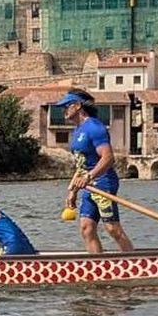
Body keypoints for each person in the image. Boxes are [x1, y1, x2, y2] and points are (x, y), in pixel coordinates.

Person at [55, 89, 135, 252]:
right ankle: (97, 265)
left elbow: (108, 158)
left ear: (77, 106)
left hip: (104, 183)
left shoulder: (94, 128)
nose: (63, 110)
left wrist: (89, 176)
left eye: (66, 106)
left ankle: (133, 261)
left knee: (112, 229)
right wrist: (73, 190)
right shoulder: (77, 130)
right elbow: (81, 165)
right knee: (86, 228)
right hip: (88, 185)